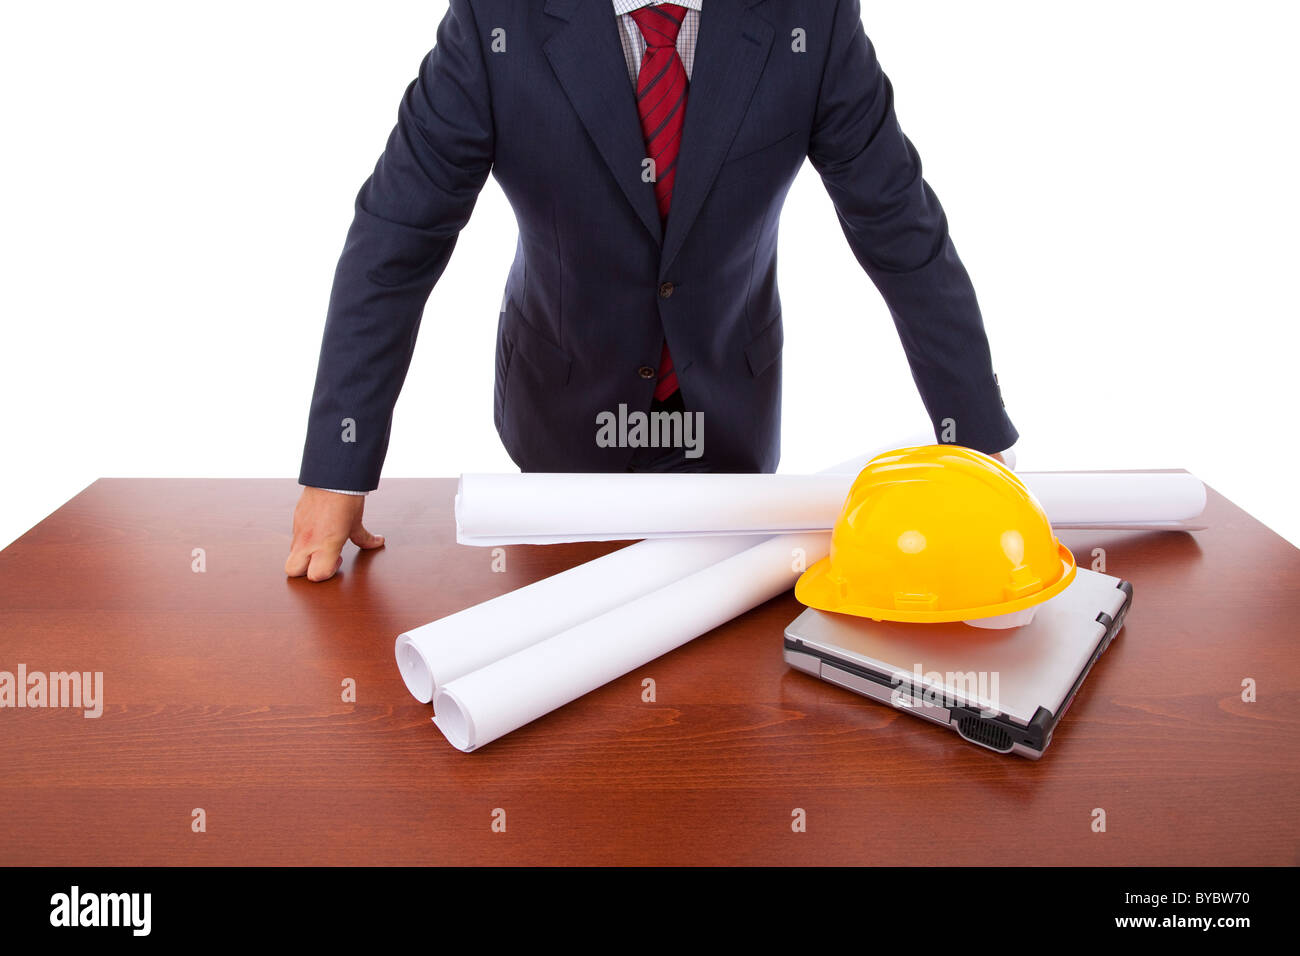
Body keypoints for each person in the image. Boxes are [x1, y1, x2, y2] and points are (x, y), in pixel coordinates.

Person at [287, 0, 1018, 582]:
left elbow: (899, 228)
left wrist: (979, 442)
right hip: (560, 426)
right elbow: (396, 241)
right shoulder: (496, 19)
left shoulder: (810, 18)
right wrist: (336, 468)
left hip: (731, 429)